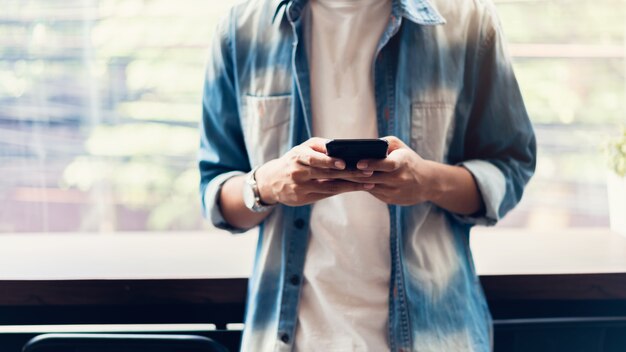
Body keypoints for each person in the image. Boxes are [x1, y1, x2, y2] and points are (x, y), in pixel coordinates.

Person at [198, 0, 536, 350]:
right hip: (292, 339)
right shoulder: (242, 28)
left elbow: (509, 168)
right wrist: (267, 184)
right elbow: (215, 191)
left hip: (437, 337)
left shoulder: (467, 20)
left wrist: (428, 181)